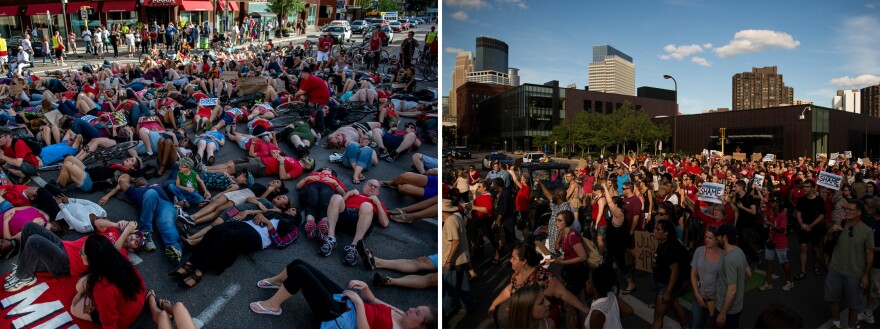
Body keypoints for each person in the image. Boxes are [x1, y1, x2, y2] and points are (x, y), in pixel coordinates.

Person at [249, 259, 437, 329]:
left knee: (300, 274)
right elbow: (373, 300)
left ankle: (273, 306)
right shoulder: (402, 314)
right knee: (300, 263)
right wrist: (364, 289)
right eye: (416, 308)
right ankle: (278, 282)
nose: (412, 309)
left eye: (417, 313)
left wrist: (360, 305)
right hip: (350, 304)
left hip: (341, 318)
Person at [171, 209, 298, 288]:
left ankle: (199, 271)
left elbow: (280, 244)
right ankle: (191, 263)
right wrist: (257, 214)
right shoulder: (277, 212)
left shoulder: (293, 228)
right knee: (216, 229)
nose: (290, 211)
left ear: (296, 217)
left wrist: (269, 224)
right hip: (245, 224)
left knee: (228, 236)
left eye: (293, 210)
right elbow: (259, 212)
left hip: (259, 237)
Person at [4, 220, 143, 292]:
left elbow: (112, 254)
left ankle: (24, 276)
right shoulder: (114, 230)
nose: (134, 239)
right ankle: (22, 267)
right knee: (29, 227)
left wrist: (126, 232)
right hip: (64, 246)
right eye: (135, 237)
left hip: (66, 263)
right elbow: (97, 223)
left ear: (132, 249)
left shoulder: (122, 254)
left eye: (136, 243)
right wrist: (117, 224)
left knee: (34, 241)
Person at [488, 243, 589, 326]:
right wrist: (494, 304)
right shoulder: (517, 274)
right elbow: (510, 289)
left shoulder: (541, 276)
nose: (510, 260)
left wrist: (583, 308)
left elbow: (562, 293)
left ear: (523, 262)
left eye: (513, 258)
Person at [70, 234, 146, 328]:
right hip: (138, 299)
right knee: (80, 286)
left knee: (74, 308)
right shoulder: (118, 258)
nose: (79, 253)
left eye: (82, 252)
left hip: (123, 318)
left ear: (91, 259)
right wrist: (80, 293)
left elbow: (109, 323)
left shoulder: (102, 288)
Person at [825, 199, 874, 329]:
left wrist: (865, 275)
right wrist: (830, 231)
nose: (846, 211)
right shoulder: (841, 223)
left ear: (858, 212)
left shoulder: (866, 231)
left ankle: (851, 327)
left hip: (854, 273)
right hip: (835, 268)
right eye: (845, 209)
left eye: (849, 209)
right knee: (833, 298)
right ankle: (836, 323)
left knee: (853, 305)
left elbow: (870, 254)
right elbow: (828, 242)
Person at [318, 179, 389, 266]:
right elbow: (334, 206)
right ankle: (330, 238)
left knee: (366, 205)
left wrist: (377, 204)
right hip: (345, 216)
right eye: (370, 184)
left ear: (377, 192)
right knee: (336, 197)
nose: (372, 187)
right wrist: (347, 194)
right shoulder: (353, 195)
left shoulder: (379, 203)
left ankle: (354, 246)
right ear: (364, 186)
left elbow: (385, 223)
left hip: (362, 221)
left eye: (375, 187)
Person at [651, 219, 690, 329]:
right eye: (655, 228)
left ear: (666, 233)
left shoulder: (670, 247)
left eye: (658, 229)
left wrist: (667, 292)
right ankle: (685, 325)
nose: (654, 231)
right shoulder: (665, 243)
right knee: (674, 304)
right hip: (664, 284)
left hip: (666, 286)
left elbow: (675, 271)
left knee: (658, 316)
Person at [714, 223, 750, 328]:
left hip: (727, 310)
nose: (718, 238)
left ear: (725, 237)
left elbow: (732, 290)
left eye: (719, 235)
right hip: (737, 307)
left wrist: (722, 313)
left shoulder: (729, 259)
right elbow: (748, 273)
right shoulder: (739, 251)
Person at [758, 198, 795, 292]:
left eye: (772, 202)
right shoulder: (771, 213)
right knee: (768, 262)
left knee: (784, 263)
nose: (770, 203)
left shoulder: (782, 215)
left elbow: (782, 230)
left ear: (778, 203)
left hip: (780, 242)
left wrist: (770, 223)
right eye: (770, 202)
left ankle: (790, 282)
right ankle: (768, 283)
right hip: (770, 240)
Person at [690, 227, 722, 329]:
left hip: (716, 300)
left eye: (710, 238)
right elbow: (693, 273)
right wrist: (697, 295)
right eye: (706, 237)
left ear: (717, 239)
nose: (706, 240)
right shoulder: (699, 251)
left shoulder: (724, 255)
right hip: (700, 297)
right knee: (696, 325)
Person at [585, 264, 634, 329]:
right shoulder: (611, 295)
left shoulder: (597, 312)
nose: (586, 283)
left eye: (589, 282)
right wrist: (613, 317)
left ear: (595, 289)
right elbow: (629, 310)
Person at [795, 179, 826, 280]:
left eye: (807, 187)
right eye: (804, 186)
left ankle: (816, 266)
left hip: (815, 227)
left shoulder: (819, 200)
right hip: (803, 227)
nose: (805, 188)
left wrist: (811, 226)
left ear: (812, 188)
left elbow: (822, 215)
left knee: (816, 248)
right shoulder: (801, 200)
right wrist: (802, 224)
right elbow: (798, 214)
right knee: (803, 247)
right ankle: (803, 270)